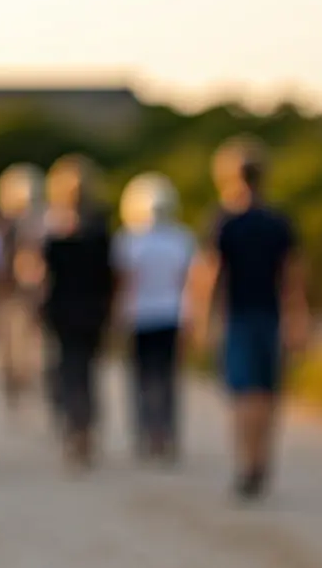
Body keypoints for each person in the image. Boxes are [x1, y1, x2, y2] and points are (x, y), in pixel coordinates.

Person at [186, 135, 309, 501]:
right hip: (270, 317)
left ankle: (245, 465)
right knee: (268, 394)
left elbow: (209, 276)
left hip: (238, 317)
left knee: (243, 395)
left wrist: (202, 321)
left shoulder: (223, 221)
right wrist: (298, 320)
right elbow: (293, 278)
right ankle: (262, 461)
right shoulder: (278, 221)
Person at [38, 154, 116, 472]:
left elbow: (40, 276)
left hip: (63, 308)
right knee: (87, 370)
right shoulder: (101, 228)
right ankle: (86, 430)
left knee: (68, 370)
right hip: (94, 309)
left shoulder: (53, 229)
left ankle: (74, 428)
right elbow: (111, 275)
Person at [113, 173, 195, 464]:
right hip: (171, 317)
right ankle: (166, 434)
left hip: (140, 318)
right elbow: (187, 284)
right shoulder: (182, 239)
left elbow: (124, 284)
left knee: (142, 378)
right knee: (166, 378)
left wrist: (116, 318)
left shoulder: (128, 241)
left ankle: (147, 433)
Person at [0, 163, 48, 408]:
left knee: (29, 342)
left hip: (28, 293)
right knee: (8, 342)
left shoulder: (40, 222)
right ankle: (12, 384)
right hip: (7, 293)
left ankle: (26, 381)